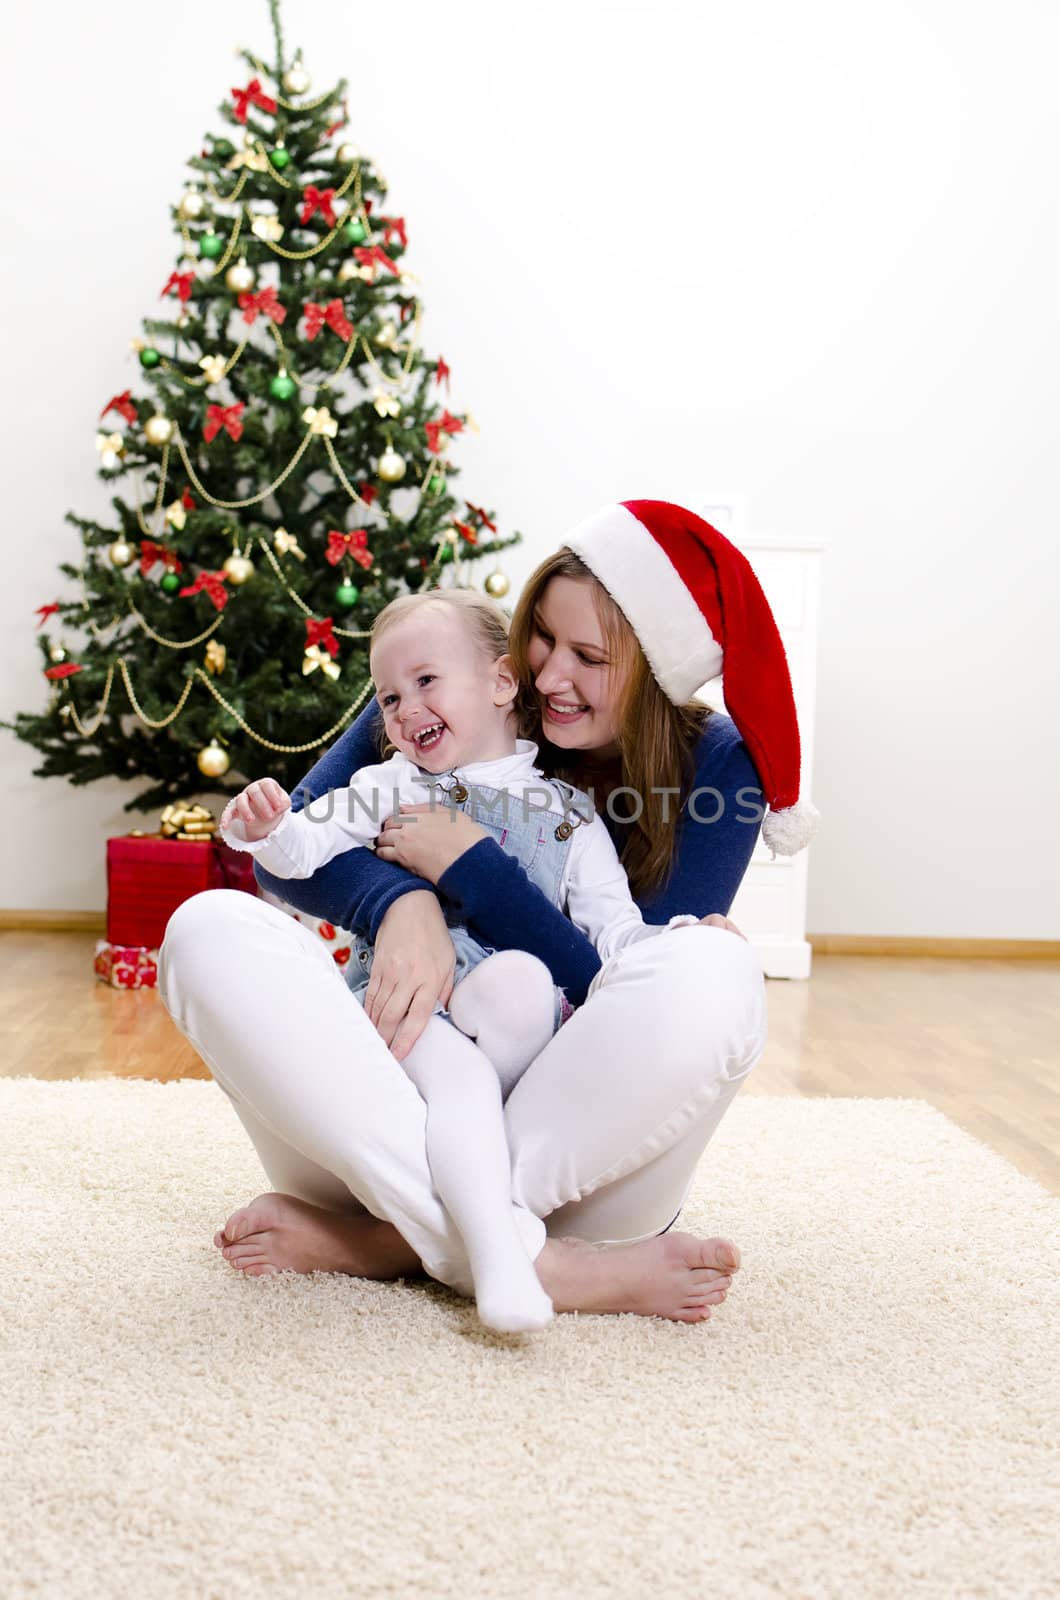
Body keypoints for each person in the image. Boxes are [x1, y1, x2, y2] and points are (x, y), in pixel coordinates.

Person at [159, 499, 818, 1326]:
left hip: (578, 1164)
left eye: (588, 656)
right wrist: (403, 904)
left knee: (717, 969)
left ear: (654, 669)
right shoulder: (441, 687)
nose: (547, 676)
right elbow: (290, 859)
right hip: (384, 1119)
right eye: (540, 635)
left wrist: (473, 871)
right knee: (206, 930)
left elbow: (620, 984)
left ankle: (390, 1245)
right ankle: (534, 1261)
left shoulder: (721, 768)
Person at [217, 589, 712, 1334]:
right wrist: (265, 823)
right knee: (456, 1078)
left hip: (514, 1029)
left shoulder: (570, 818)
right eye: (387, 696)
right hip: (413, 1007)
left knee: (522, 982)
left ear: (502, 683)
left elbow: (618, 944)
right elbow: (298, 851)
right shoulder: (386, 786)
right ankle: (507, 1265)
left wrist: (687, 942)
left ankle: (419, 1236)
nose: (404, 706)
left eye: (425, 680)